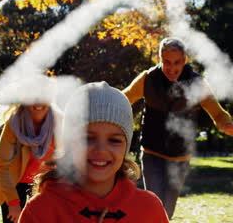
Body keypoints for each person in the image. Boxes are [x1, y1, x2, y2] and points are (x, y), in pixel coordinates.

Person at [122, 37, 233, 219]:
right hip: (152, 151)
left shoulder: (197, 84)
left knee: (167, 209)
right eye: (167, 62)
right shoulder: (148, 79)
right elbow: (125, 98)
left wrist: (226, 124)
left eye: (177, 62)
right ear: (160, 59)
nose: (172, 68)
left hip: (180, 156)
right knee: (154, 203)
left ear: (185, 60)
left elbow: (216, 112)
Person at [19, 82, 169, 223]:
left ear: (126, 147)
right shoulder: (40, 211)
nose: (101, 149)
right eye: (88, 138)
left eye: (114, 140)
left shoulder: (149, 209)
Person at [0, 101, 62, 223]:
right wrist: (13, 204)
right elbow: (1, 166)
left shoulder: (60, 122)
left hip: (44, 183)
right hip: (14, 184)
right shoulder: (15, 123)